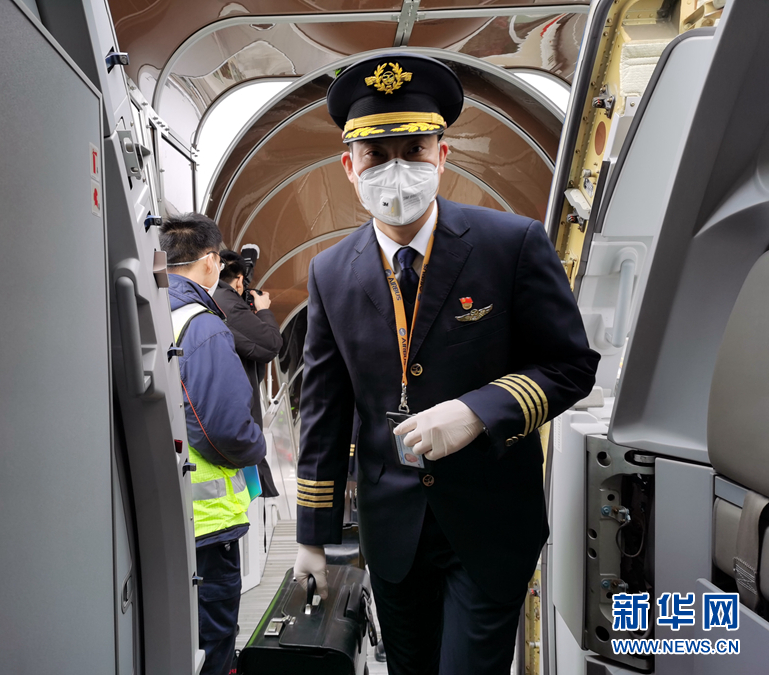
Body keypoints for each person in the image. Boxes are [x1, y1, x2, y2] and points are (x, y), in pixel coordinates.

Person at [292, 53, 600, 675]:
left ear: (443, 157)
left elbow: (569, 364)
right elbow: (325, 410)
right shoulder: (330, 272)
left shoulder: (511, 244)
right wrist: (311, 537)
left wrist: (476, 411)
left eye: (414, 150)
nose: (396, 169)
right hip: (393, 531)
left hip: (490, 522)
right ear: (350, 167)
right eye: (377, 155)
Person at [159, 214, 266, 675]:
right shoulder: (203, 327)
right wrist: (258, 446)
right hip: (206, 524)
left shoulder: (147, 313)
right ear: (209, 261)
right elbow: (225, 430)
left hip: (158, 516)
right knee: (213, 645)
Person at [213, 250, 283, 498]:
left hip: (215, 413)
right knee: (241, 492)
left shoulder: (207, 299)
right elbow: (271, 344)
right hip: (235, 419)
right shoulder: (228, 303)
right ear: (240, 280)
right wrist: (263, 311)